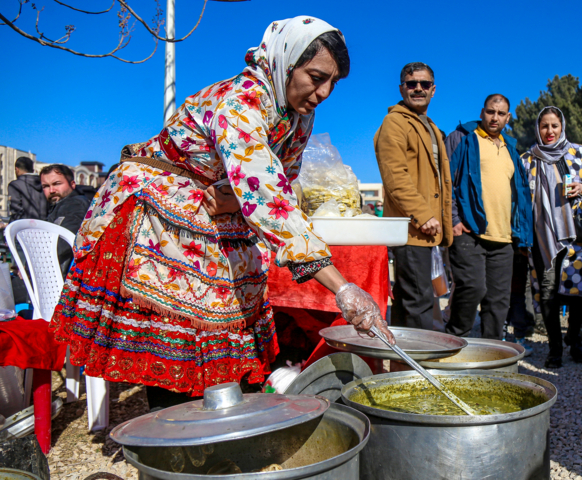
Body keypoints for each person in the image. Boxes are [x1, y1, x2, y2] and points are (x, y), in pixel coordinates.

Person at [49, 16, 394, 409]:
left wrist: (234, 198)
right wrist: (343, 287)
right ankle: (173, 434)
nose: (324, 92)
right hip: (163, 217)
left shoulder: (298, 115)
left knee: (228, 327)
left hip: (218, 213)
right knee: (176, 329)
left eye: (333, 83)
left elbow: (281, 179)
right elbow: (269, 197)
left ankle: (222, 427)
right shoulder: (241, 101)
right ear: (285, 61)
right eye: (316, 77)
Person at [444, 94, 533, 345]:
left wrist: (521, 235)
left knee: (498, 301)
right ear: (482, 112)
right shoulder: (462, 138)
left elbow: (521, 195)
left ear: (508, 117)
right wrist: (453, 219)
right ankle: (454, 342)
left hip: (504, 237)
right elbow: (447, 180)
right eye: (491, 112)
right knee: (472, 289)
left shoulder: (510, 148)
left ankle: (492, 354)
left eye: (501, 113)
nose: (495, 117)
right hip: (469, 231)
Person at [521, 107, 582, 368]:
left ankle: (574, 338)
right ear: (538, 128)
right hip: (542, 236)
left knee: (579, 291)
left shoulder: (578, 152)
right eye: (544, 126)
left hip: (577, 234)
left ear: (562, 126)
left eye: (554, 125)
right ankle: (555, 347)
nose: (549, 131)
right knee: (547, 293)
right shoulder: (527, 159)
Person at [374, 62, 453, 331]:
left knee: (417, 301)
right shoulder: (394, 123)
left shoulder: (430, 127)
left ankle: (402, 366)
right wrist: (424, 214)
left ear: (433, 89)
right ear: (401, 88)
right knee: (416, 302)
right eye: (411, 84)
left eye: (424, 84)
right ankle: (418, 368)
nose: (417, 88)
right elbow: (395, 176)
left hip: (428, 229)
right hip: (412, 228)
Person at [40, 164, 91, 276]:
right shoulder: (60, 205)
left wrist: (33, 265)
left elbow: (62, 242)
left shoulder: (74, 204)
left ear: (72, 184)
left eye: (57, 184)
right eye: (46, 186)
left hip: (64, 278)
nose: (52, 190)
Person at [8, 156, 47, 222]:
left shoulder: (15, 185)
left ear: (17, 169)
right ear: (32, 170)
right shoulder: (44, 183)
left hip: (25, 226)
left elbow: (16, 211)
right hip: (44, 226)